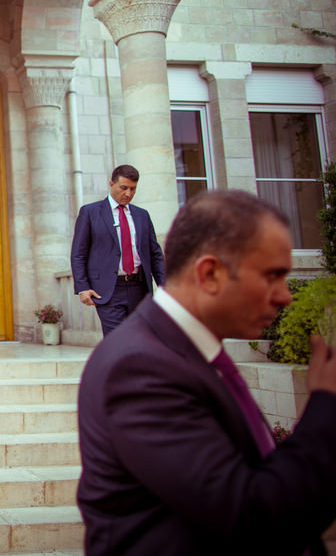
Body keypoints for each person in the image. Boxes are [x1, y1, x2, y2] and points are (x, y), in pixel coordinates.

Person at [77, 190, 336, 555]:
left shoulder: (187, 349)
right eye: (272, 276)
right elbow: (253, 519)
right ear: (210, 273)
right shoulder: (138, 368)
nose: (285, 296)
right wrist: (327, 406)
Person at [70, 164, 165, 335]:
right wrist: (82, 287)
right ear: (111, 184)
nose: (128, 193)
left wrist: (166, 287)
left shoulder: (142, 215)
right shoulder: (90, 213)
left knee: (141, 339)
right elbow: (79, 254)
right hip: (108, 290)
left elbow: (155, 254)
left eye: (133, 189)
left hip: (140, 288)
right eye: (123, 188)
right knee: (117, 340)